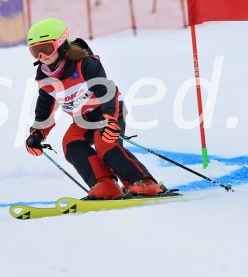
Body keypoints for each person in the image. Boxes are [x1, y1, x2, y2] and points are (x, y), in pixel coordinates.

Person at [24, 18, 164, 200]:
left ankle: (143, 182)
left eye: (47, 49)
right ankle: (105, 185)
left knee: (105, 142)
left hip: (109, 111)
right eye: (35, 52)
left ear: (61, 44)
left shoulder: (85, 64)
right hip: (84, 119)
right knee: (70, 144)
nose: (42, 56)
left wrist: (110, 120)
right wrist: (36, 134)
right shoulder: (45, 79)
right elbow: (44, 109)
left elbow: (106, 91)